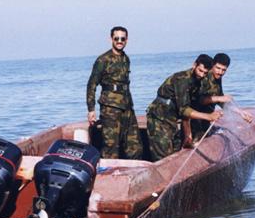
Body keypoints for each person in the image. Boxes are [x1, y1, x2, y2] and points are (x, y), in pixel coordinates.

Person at [146, 54, 223, 161]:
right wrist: (209, 117)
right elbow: (184, 110)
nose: (202, 75)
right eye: (200, 70)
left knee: (177, 150)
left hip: (173, 118)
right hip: (160, 118)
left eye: (205, 73)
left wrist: (188, 134)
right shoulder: (182, 79)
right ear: (194, 65)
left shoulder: (198, 82)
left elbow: (189, 106)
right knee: (164, 157)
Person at [86, 26, 143, 159]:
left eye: (122, 39)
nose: (119, 41)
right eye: (116, 38)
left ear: (126, 40)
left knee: (135, 146)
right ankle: (109, 176)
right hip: (110, 109)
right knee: (111, 146)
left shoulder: (125, 59)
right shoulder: (103, 60)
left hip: (127, 108)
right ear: (111, 39)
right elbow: (91, 84)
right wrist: (91, 109)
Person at [185, 53, 253, 145]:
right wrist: (219, 98)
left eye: (223, 70)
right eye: (218, 68)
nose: (220, 72)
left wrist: (240, 112)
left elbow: (221, 101)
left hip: (205, 118)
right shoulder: (203, 76)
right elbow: (197, 100)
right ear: (212, 65)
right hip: (193, 116)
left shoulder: (217, 78)